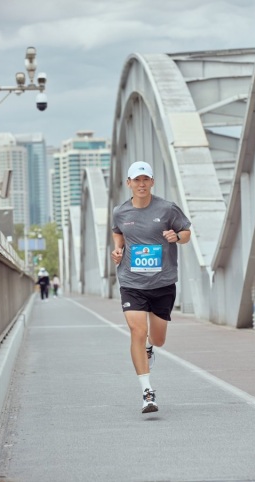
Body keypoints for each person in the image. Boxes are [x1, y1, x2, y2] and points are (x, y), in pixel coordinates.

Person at [110, 161, 191, 414]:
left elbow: (186, 232)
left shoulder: (167, 208)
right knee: (137, 330)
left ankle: (149, 348)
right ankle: (147, 392)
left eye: (146, 179)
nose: (141, 184)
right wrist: (118, 250)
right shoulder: (120, 212)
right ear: (129, 183)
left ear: (152, 182)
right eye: (137, 180)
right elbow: (118, 233)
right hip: (132, 282)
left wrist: (176, 237)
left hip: (162, 283)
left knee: (157, 339)